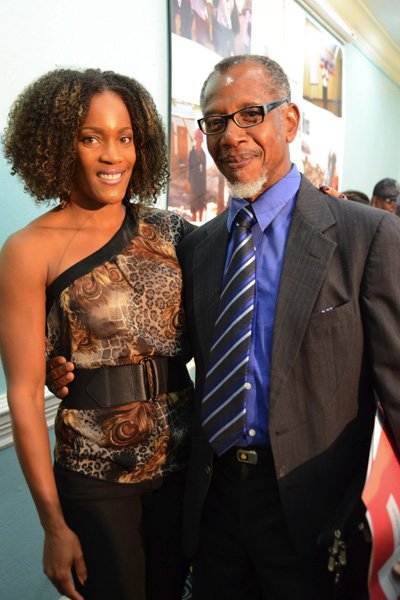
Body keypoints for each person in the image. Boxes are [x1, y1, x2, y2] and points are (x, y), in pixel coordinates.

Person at [176, 55, 400, 599]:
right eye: (214, 120)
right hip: (216, 507)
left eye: (250, 114)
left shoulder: (364, 236)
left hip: (321, 514)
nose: (231, 134)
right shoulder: (199, 248)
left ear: (290, 122)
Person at [0, 68, 194, 600]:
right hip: (95, 477)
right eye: (92, 137)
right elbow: (21, 393)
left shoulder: (171, 231)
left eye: (125, 137)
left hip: (184, 466)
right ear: (59, 145)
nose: (114, 155)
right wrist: (53, 525)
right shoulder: (27, 249)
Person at [188, 129, 207, 222]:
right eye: (198, 138)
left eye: (201, 138)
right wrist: (189, 181)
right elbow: (189, 168)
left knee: (201, 200)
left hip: (202, 182)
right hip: (194, 181)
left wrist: (205, 183)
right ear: (195, 139)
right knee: (194, 201)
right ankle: (194, 220)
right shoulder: (192, 153)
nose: (199, 140)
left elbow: (204, 170)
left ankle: (200, 221)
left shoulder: (203, 154)